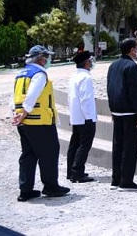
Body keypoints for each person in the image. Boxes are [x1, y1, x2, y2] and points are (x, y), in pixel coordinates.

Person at [11, 45, 70, 201]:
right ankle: (51, 187)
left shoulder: (21, 74)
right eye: (47, 57)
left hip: (23, 122)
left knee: (28, 155)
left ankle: (26, 190)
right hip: (39, 121)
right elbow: (31, 97)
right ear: (41, 58)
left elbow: (14, 97)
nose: (48, 60)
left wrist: (16, 115)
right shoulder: (39, 74)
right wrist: (23, 114)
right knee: (49, 153)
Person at [106, 38, 137, 191]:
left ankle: (115, 179)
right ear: (132, 49)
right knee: (129, 147)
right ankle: (126, 181)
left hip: (116, 110)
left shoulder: (113, 65)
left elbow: (109, 88)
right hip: (129, 111)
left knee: (117, 145)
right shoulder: (132, 67)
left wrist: (111, 109)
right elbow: (135, 91)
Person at [66, 50, 97, 183]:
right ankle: (77, 171)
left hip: (76, 115)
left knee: (75, 144)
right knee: (84, 145)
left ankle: (71, 170)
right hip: (85, 117)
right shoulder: (86, 78)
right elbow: (86, 99)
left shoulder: (74, 76)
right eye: (90, 61)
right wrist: (89, 117)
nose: (91, 63)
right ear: (86, 63)